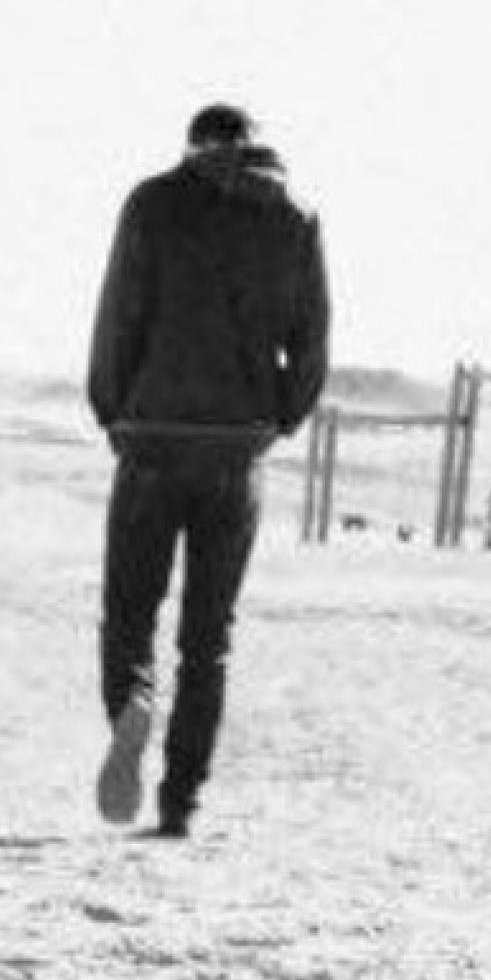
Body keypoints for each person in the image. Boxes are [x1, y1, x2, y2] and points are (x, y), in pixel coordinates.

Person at [86, 103, 331, 838]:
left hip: (153, 438)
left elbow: (119, 315)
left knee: (131, 610)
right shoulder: (293, 217)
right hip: (235, 448)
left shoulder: (153, 203)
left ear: (192, 146)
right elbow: (312, 336)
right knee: (208, 636)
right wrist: (280, 416)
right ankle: (180, 802)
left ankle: (133, 701)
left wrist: (112, 410)